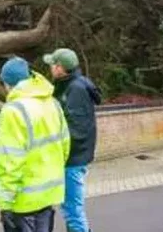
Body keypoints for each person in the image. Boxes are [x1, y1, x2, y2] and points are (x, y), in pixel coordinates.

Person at [0, 57, 70, 232]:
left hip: (23, 199)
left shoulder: (13, 111)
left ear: (9, 84)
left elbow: (10, 161)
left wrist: (6, 202)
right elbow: (65, 145)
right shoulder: (53, 103)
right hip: (49, 193)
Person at [44, 48, 102, 232]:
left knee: (72, 210)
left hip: (73, 158)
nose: (50, 68)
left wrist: (58, 150)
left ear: (60, 68)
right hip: (74, 157)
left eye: (53, 65)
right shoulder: (69, 85)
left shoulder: (75, 89)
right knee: (70, 208)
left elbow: (76, 130)